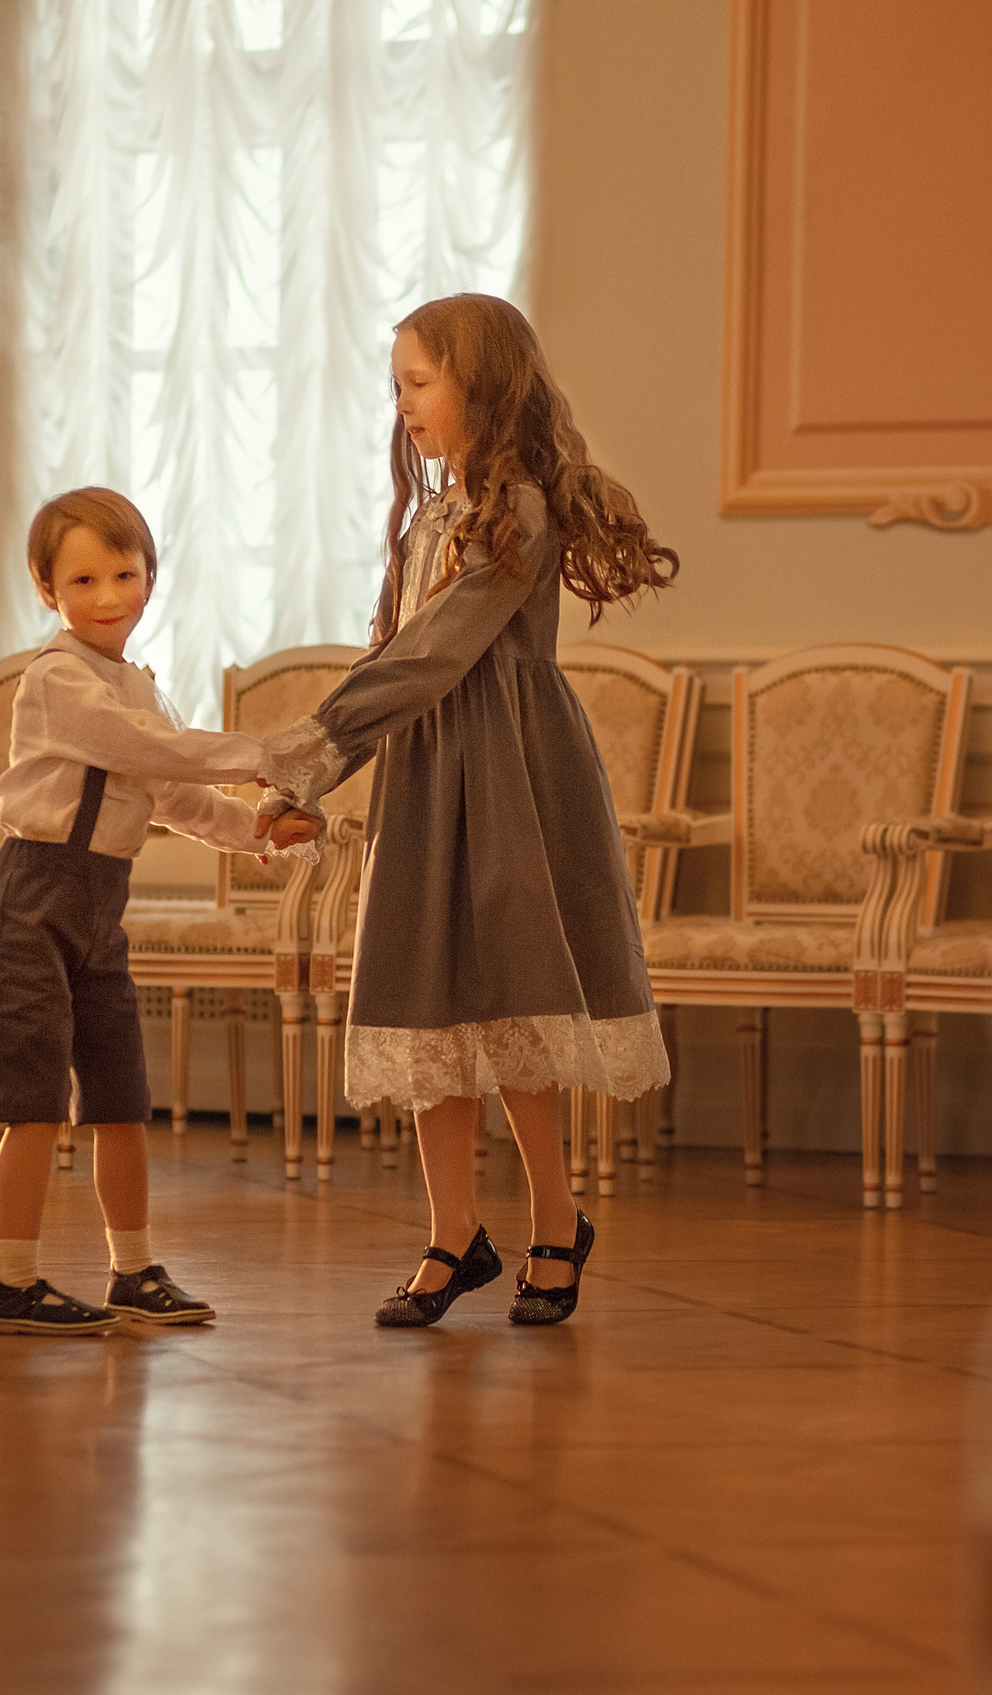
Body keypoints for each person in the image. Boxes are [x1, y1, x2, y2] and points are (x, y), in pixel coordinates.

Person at [256, 294, 679, 1329]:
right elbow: (392, 653)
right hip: (424, 772)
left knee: (510, 1006)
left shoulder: (516, 512)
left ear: (480, 386)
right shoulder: (428, 515)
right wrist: (305, 775)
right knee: (425, 1005)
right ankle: (453, 1236)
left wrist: (310, 754)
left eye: (417, 382)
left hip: (507, 778)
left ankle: (554, 1222)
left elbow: (438, 652)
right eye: (394, 384)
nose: (399, 403)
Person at [0, 487, 321, 1335]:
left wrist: (263, 831)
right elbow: (153, 750)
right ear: (46, 589)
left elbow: (171, 795)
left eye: (124, 574)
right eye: (82, 580)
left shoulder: (137, 684)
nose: (106, 597)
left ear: (150, 576)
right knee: (33, 1103)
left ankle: (133, 1269)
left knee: (122, 1098)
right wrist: (267, 753)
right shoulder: (58, 681)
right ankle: (7, 1278)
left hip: (101, 907)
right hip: (33, 901)